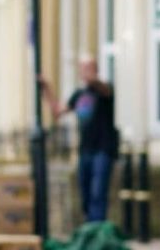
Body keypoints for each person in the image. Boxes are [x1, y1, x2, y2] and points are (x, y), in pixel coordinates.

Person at [40, 56, 118, 222]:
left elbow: (105, 89)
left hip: (102, 151)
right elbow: (58, 112)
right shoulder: (79, 94)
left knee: (98, 193)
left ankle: (96, 233)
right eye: (83, 68)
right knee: (86, 195)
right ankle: (90, 229)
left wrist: (93, 79)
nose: (85, 71)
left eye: (88, 67)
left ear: (96, 69)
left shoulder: (105, 90)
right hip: (85, 151)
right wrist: (47, 89)